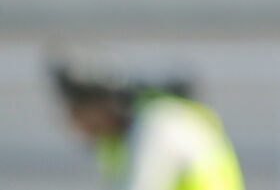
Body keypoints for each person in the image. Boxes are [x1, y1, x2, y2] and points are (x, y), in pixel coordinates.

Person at [52, 62, 245, 190]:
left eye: (78, 114)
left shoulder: (159, 124)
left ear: (101, 105)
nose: (75, 126)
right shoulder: (126, 138)